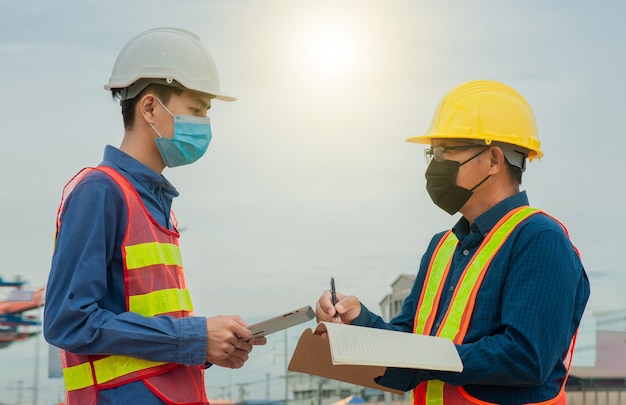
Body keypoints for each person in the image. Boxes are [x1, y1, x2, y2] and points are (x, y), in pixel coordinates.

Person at [316, 80, 590, 404]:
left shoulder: (539, 239)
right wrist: (359, 323)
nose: (436, 164)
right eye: (433, 152)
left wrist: (432, 358)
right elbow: (409, 353)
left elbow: (525, 356)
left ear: (493, 159)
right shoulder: (441, 247)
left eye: (448, 150)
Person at [43, 27, 266, 405]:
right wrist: (195, 338)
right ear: (149, 108)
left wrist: (209, 347)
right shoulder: (100, 192)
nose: (204, 125)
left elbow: (148, 328)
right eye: (196, 110)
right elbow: (68, 320)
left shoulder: (157, 207)